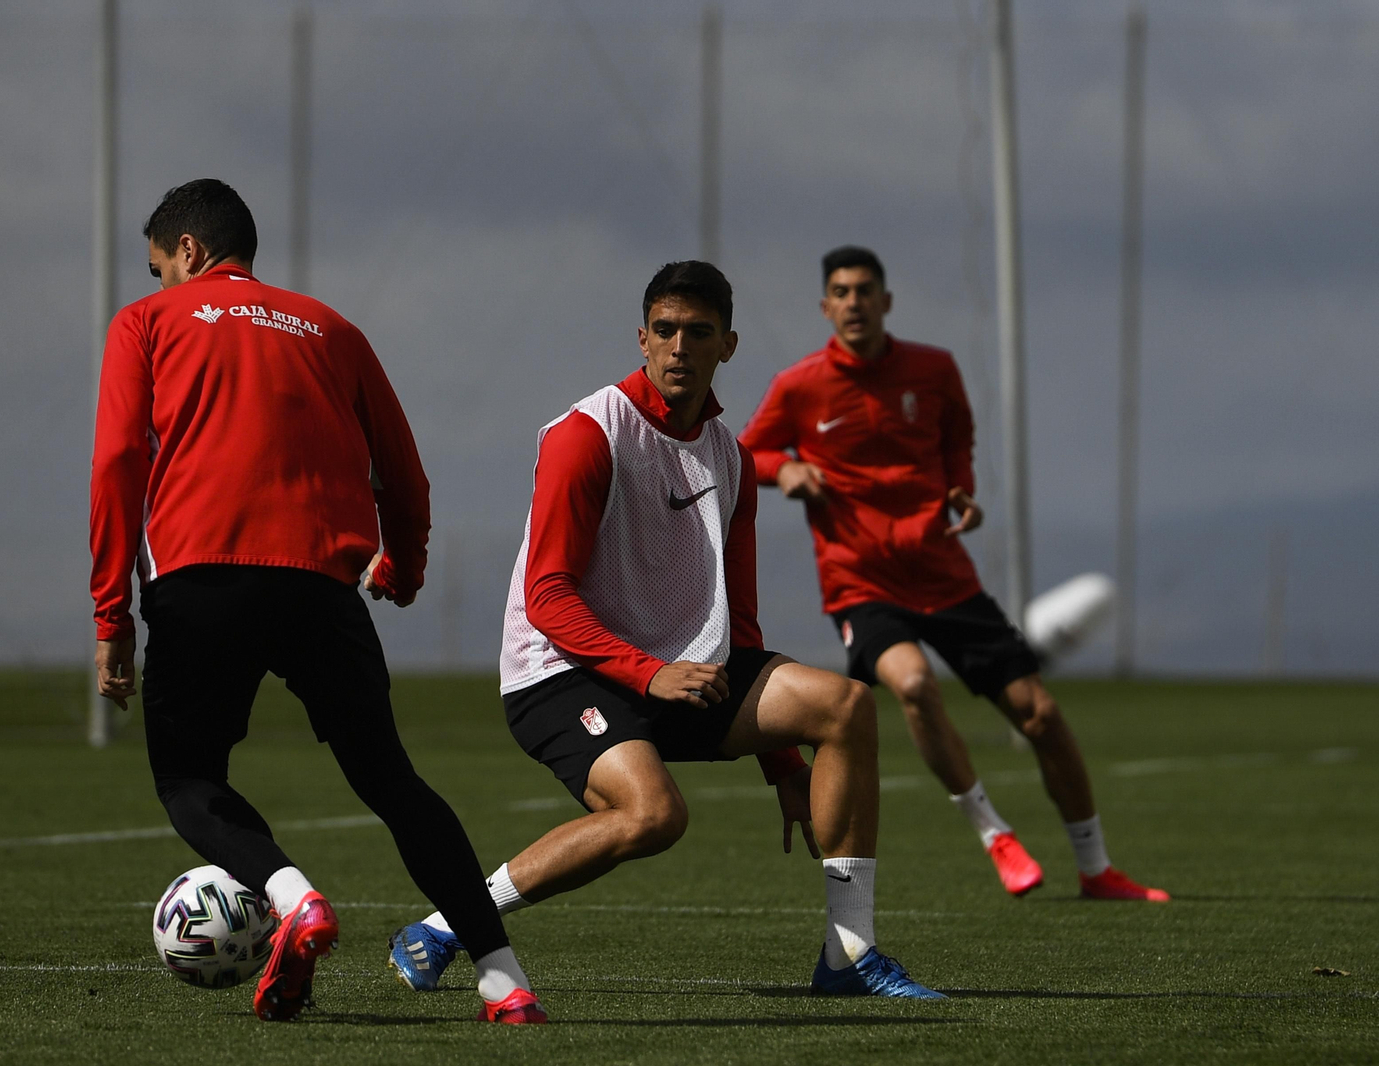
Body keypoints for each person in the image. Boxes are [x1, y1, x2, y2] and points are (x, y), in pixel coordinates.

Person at [386, 261, 943, 999]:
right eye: (666, 331)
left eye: (699, 333)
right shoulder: (587, 436)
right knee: (654, 815)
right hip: (560, 673)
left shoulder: (731, 458)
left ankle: (848, 957)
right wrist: (649, 674)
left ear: (729, 346)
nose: (680, 347)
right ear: (642, 338)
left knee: (845, 707)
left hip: (678, 671)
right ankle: (447, 925)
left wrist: (782, 766)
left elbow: (739, 626)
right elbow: (546, 597)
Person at [90, 179, 545, 1024]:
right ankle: (505, 981)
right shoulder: (332, 329)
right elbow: (405, 477)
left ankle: (295, 900)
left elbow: (120, 460)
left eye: (159, 267)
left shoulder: (146, 324)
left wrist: (111, 615)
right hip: (322, 586)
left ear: (188, 252)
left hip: (201, 577)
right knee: (393, 783)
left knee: (190, 781)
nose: (158, 284)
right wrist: (402, 573)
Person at [739, 244, 1167, 902]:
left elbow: (957, 442)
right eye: (841, 292)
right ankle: (995, 833)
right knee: (912, 685)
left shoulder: (934, 370)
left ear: (886, 301)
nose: (854, 302)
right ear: (826, 307)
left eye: (864, 290)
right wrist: (784, 470)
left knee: (1041, 715)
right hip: (861, 582)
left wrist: (962, 492)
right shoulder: (800, 385)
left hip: (946, 577)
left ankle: (1097, 868)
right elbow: (747, 453)